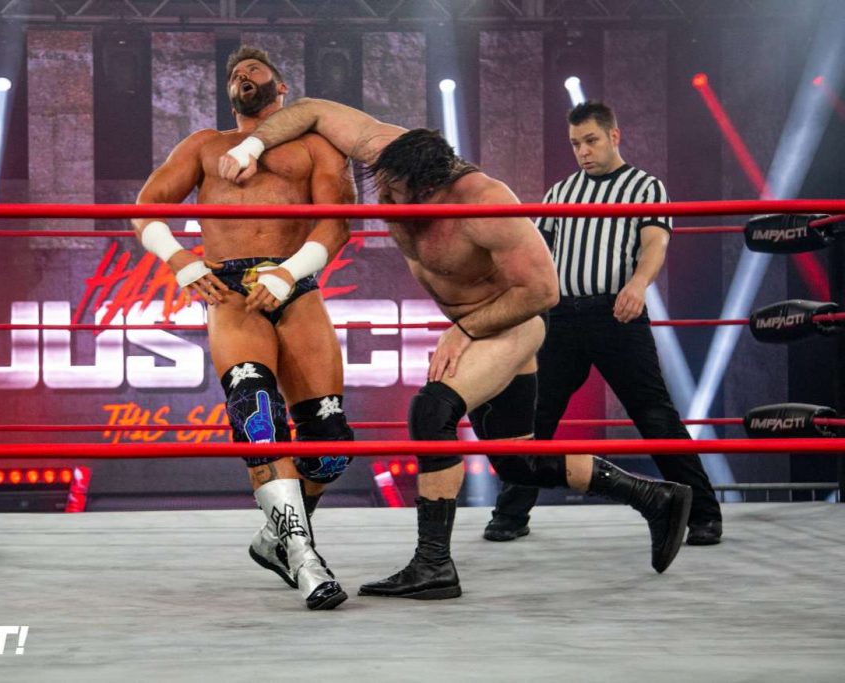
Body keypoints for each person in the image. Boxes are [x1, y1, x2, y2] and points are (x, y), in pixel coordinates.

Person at [219, 99, 693, 599]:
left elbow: (542, 292)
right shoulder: (394, 154)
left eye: (396, 193)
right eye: (383, 187)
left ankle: (434, 564)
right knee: (518, 462)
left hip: (511, 323)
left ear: (428, 189)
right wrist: (252, 147)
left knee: (432, 412)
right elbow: (312, 111)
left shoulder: (484, 201)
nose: (385, 199)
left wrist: (466, 329)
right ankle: (653, 496)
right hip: (475, 325)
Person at [133, 48, 358, 610]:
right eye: (236, 73)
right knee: (258, 417)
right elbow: (146, 206)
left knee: (331, 444)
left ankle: (274, 538)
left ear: (281, 88)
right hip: (231, 292)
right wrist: (180, 260)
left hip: (295, 284)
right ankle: (305, 561)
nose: (242, 76)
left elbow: (338, 222)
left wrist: (288, 273)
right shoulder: (205, 146)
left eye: (255, 70)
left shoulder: (314, 145)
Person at [484, 101, 723, 547]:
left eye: (591, 140)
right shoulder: (560, 193)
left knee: (655, 415)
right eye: (576, 143)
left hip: (616, 314)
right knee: (535, 415)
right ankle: (511, 514)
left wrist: (638, 283)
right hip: (561, 319)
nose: (583, 151)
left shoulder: (645, 187)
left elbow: (654, 244)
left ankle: (704, 514)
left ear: (614, 136)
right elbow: (536, 257)